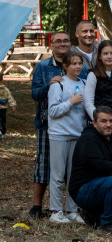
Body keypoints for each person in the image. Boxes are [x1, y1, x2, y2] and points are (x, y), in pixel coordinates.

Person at [30, 31, 78, 218]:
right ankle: (36, 206)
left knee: (69, 167)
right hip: (46, 123)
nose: (62, 44)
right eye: (58, 41)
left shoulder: (77, 65)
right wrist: (49, 85)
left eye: (66, 41)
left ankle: (71, 207)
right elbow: (34, 94)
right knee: (43, 164)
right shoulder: (43, 66)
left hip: (71, 125)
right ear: (52, 44)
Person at [68, 107, 112, 234]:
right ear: (94, 123)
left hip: (102, 185)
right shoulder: (88, 139)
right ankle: (108, 223)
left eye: (111, 121)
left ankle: (93, 215)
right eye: (103, 121)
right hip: (83, 189)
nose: (108, 125)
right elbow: (99, 165)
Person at [47, 52, 87, 224]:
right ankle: (56, 211)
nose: (77, 67)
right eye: (73, 64)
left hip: (77, 134)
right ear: (65, 66)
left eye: (80, 63)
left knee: (74, 175)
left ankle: (71, 209)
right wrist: (70, 102)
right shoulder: (58, 85)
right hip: (59, 135)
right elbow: (53, 111)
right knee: (58, 174)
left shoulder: (85, 84)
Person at [0, 72, 12, 137]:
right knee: (2, 120)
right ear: (2, 80)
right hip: (3, 108)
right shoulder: (5, 89)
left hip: (3, 107)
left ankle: (3, 132)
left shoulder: (5, 89)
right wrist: (13, 105)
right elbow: (10, 97)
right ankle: (2, 132)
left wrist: (13, 104)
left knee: (3, 120)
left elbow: (9, 97)